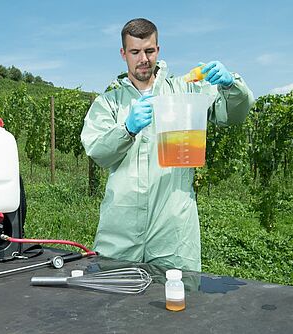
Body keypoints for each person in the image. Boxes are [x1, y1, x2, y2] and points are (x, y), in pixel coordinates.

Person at [80, 18, 254, 271]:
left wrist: (231, 86)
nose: (143, 59)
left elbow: (232, 114)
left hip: (173, 228)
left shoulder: (184, 91)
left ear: (158, 51)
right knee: (114, 296)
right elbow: (98, 152)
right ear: (123, 54)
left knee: (175, 298)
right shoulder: (109, 103)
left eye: (149, 51)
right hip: (121, 227)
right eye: (135, 52)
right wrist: (127, 129)